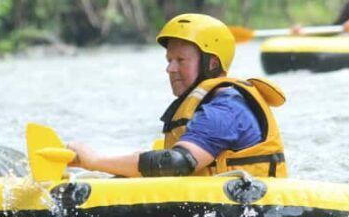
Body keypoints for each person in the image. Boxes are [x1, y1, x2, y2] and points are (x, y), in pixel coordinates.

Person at [67, 13, 287, 178]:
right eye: (169, 60)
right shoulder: (208, 105)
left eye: (180, 60)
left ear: (211, 63)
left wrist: (95, 161)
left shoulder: (225, 110)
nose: (170, 69)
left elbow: (175, 163)